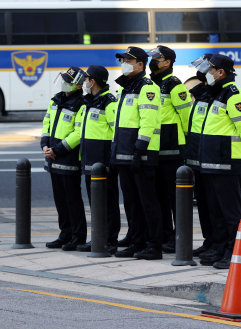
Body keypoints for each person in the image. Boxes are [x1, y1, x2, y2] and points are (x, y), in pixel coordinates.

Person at [197, 54, 241, 269]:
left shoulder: (233, 95)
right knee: (217, 212)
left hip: (226, 162)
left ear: (221, 72)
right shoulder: (217, 93)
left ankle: (234, 253)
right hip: (213, 162)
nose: (207, 73)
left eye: (210, 69)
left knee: (231, 213)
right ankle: (221, 250)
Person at [110, 46, 163, 260]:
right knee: (132, 203)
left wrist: (139, 151)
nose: (123, 62)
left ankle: (154, 245)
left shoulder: (147, 88)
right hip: (124, 154)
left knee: (148, 202)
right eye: (122, 59)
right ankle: (137, 240)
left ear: (140, 64)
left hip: (141, 154)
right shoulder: (127, 87)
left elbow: (148, 122)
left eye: (127, 60)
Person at [146, 46, 192, 254]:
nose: (153, 61)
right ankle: (164, 235)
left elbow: (186, 118)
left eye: (158, 58)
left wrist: (185, 145)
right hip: (155, 148)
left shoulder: (174, 85)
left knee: (175, 199)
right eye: (152, 58)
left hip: (172, 150)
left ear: (169, 62)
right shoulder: (151, 84)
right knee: (158, 196)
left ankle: (178, 238)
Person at [70, 65, 120, 255]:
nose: (84, 82)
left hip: (103, 162)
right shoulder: (88, 101)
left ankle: (109, 240)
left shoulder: (108, 102)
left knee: (107, 203)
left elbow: (117, 132)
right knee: (95, 203)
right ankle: (98, 238)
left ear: (94, 81)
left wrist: (112, 158)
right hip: (90, 160)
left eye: (86, 79)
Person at [186, 54, 227, 266]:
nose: (202, 72)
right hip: (195, 155)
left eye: (206, 69)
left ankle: (216, 244)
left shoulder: (213, 95)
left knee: (214, 205)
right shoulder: (201, 94)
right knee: (202, 203)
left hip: (208, 157)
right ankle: (208, 240)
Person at [41, 67, 86, 251]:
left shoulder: (81, 104)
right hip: (53, 157)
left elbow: (78, 132)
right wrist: (44, 144)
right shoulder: (56, 100)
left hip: (68, 158)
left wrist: (57, 150)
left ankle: (78, 236)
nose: (64, 83)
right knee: (60, 200)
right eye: (64, 80)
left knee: (72, 199)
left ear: (77, 85)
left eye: (68, 81)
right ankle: (65, 234)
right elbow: (46, 123)